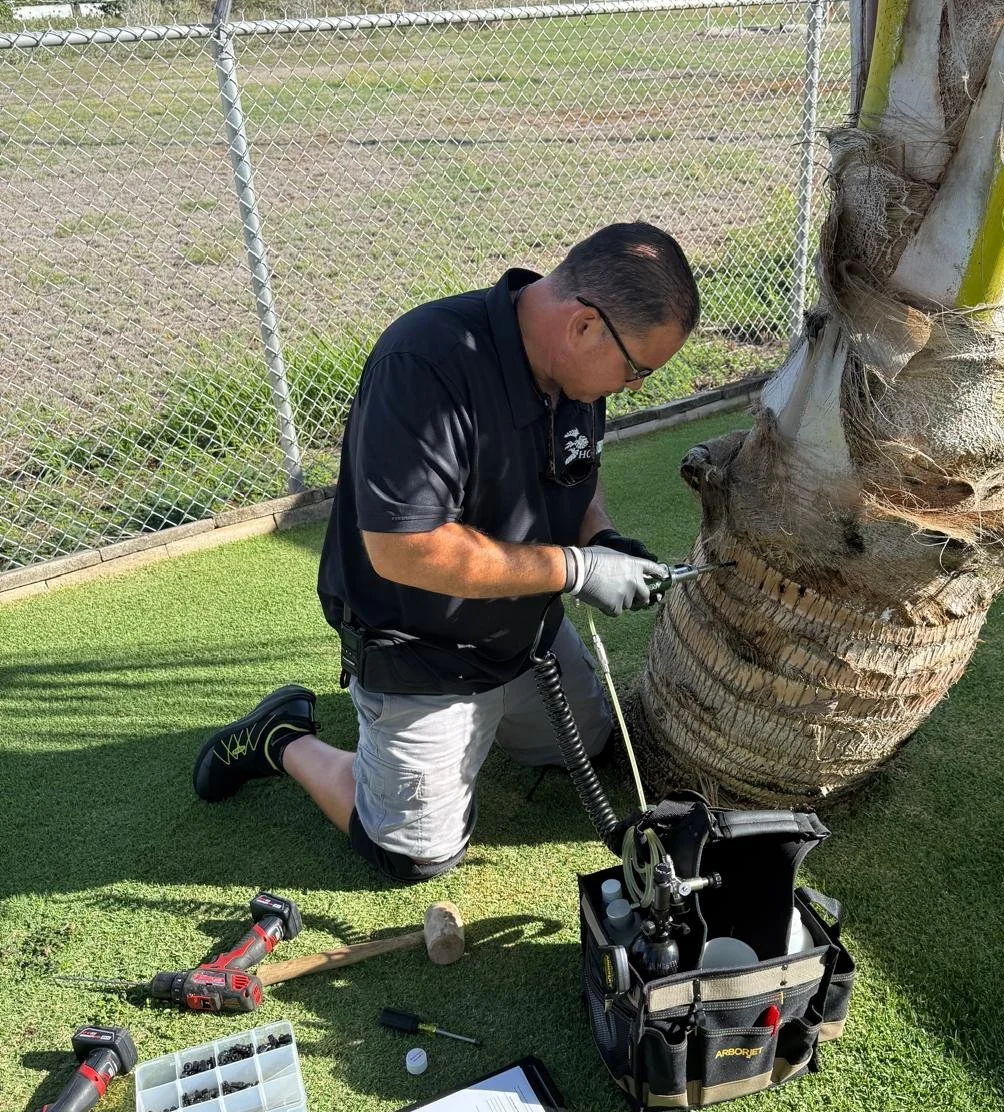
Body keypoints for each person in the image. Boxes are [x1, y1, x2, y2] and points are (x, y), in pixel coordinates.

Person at [192, 221, 700, 882]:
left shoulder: (575, 377)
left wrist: (598, 537)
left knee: (587, 743)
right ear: (583, 327)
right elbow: (404, 551)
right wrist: (576, 570)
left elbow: (576, 473)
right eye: (637, 370)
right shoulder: (426, 364)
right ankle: (284, 738)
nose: (633, 388)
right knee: (412, 854)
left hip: (524, 634)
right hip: (422, 649)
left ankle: (446, 737)